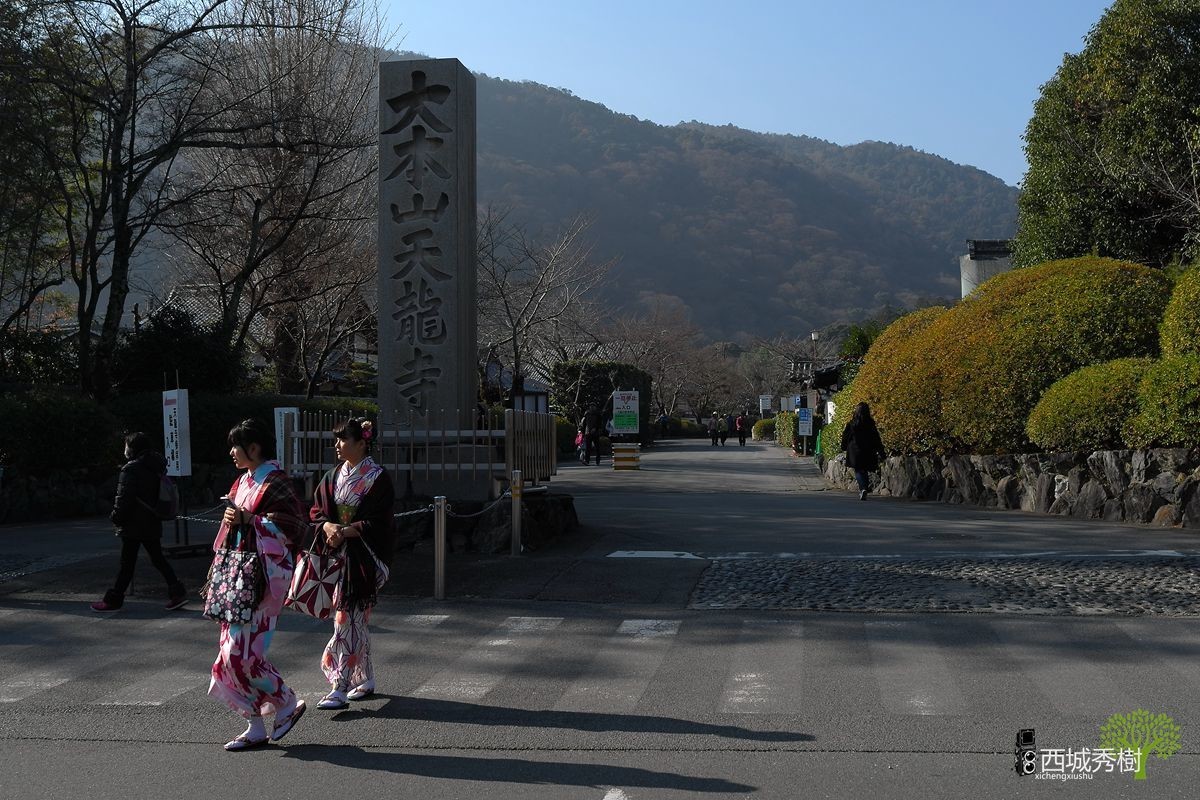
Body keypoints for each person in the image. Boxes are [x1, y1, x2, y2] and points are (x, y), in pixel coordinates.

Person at [208, 418, 308, 751]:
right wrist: (235, 520)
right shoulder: (244, 481)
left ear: (254, 448)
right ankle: (254, 725)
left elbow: (294, 525)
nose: (232, 452)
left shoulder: (275, 481)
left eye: (237, 446)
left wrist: (250, 520)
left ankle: (285, 699)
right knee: (229, 655)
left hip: (263, 578)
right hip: (237, 574)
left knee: (241, 655)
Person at [309, 417, 396, 711]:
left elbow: (381, 521)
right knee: (356, 620)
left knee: (345, 618)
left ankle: (339, 684)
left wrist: (348, 529)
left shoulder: (377, 477)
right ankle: (365, 678)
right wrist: (326, 527)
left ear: (362, 443)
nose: (337, 445)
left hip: (365, 557)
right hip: (340, 555)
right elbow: (317, 511)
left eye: (343, 440)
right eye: (337, 439)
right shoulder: (333, 476)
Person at [91, 433, 186, 612]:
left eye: (127, 445)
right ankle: (177, 592)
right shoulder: (157, 466)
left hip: (133, 523)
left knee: (127, 564)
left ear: (132, 448)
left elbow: (123, 498)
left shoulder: (131, 469)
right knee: (158, 559)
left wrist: (115, 517)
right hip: (152, 520)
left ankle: (114, 599)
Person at [840, 402, 886, 500]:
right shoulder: (870, 423)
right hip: (868, 449)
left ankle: (863, 488)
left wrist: (844, 446)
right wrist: (881, 452)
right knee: (864, 469)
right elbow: (876, 438)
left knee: (858, 470)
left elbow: (845, 437)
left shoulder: (852, 423)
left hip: (854, 450)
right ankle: (864, 488)